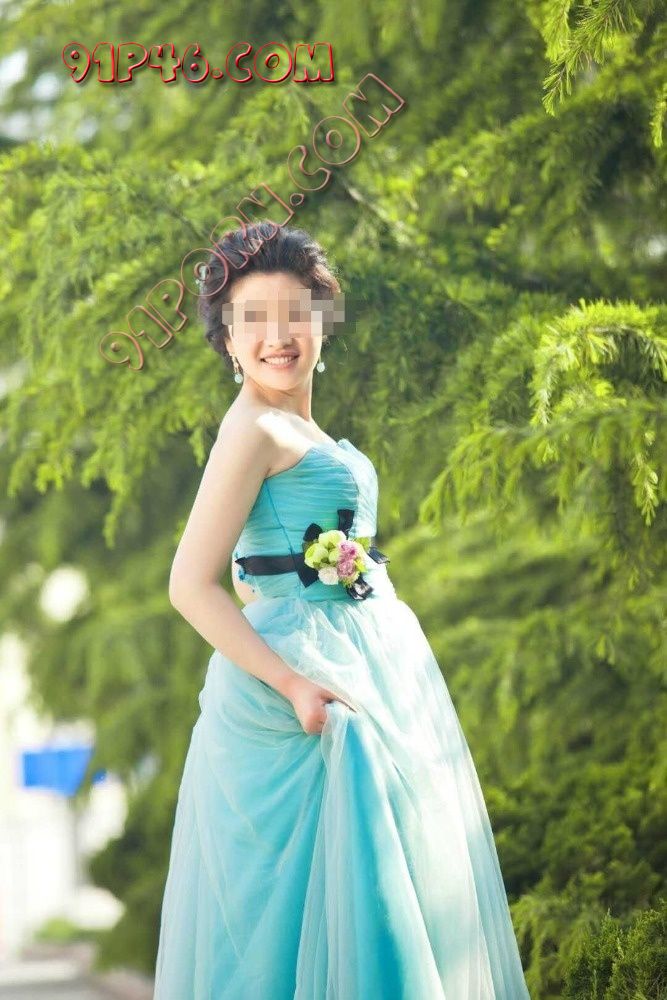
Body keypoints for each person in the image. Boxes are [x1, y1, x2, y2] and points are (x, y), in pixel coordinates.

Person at [153, 222, 532, 999]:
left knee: (377, 899)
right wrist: (293, 683)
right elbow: (190, 583)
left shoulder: (292, 427)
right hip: (301, 698)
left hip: (353, 663)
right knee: (311, 921)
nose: (277, 337)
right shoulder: (254, 428)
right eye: (252, 319)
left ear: (322, 322)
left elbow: (250, 570)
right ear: (228, 340)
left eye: (294, 313)